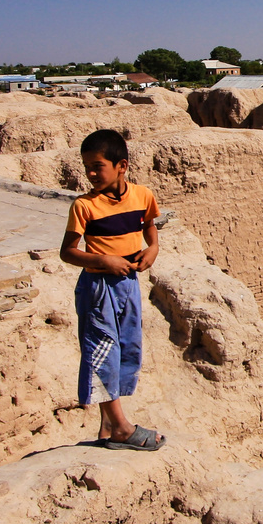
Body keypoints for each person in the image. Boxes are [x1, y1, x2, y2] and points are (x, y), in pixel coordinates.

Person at [59, 129, 165, 450]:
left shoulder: (143, 196)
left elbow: (150, 230)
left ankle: (107, 424)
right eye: (86, 167)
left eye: (97, 166)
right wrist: (104, 260)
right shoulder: (84, 206)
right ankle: (120, 427)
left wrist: (153, 249)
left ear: (122, 166)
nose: (90, 174)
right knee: (102, 351)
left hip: (127, 284)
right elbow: (67, 251)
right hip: (98, 287)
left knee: (125, 349)